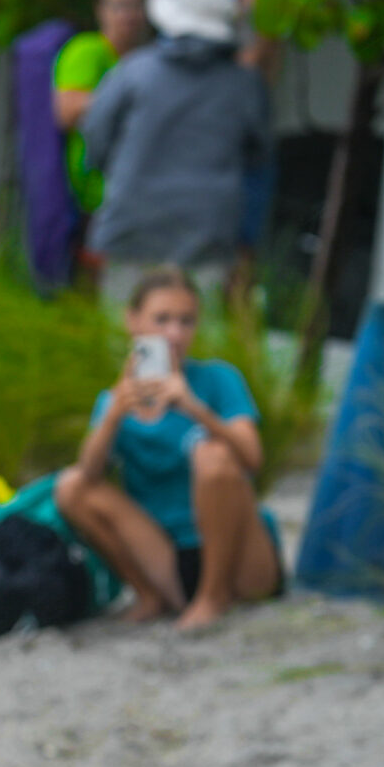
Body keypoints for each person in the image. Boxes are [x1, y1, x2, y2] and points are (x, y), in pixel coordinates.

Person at [54, 265, 283, 629]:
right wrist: (114, 413)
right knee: (69, 486)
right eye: (161, 319)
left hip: (240, 557)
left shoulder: (218, 378)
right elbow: (88, 475)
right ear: (133, 321)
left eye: (186, 321)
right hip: (165, 553)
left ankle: (214, 595)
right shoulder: (114, 400)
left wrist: (194, 408)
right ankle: (151, 595)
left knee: (213, 455)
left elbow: (252, 458)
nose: (174, 333)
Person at [80, 0, 270, 309]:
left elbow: (95, 135)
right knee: (192, 341)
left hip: (131, 225)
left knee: (125, 335)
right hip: (206, 235)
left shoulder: (135, 70)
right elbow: (257, 155)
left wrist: (124, 174)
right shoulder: (245, 85)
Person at [52, 0, 150, 233]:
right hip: (93, 200)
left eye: (136, 5)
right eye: (119, 5)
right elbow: (67, 110)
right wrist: (135, 103)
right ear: (101, 10)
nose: (128, 14)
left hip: (137, 197)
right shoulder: (87, 50)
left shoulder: (146, 60)